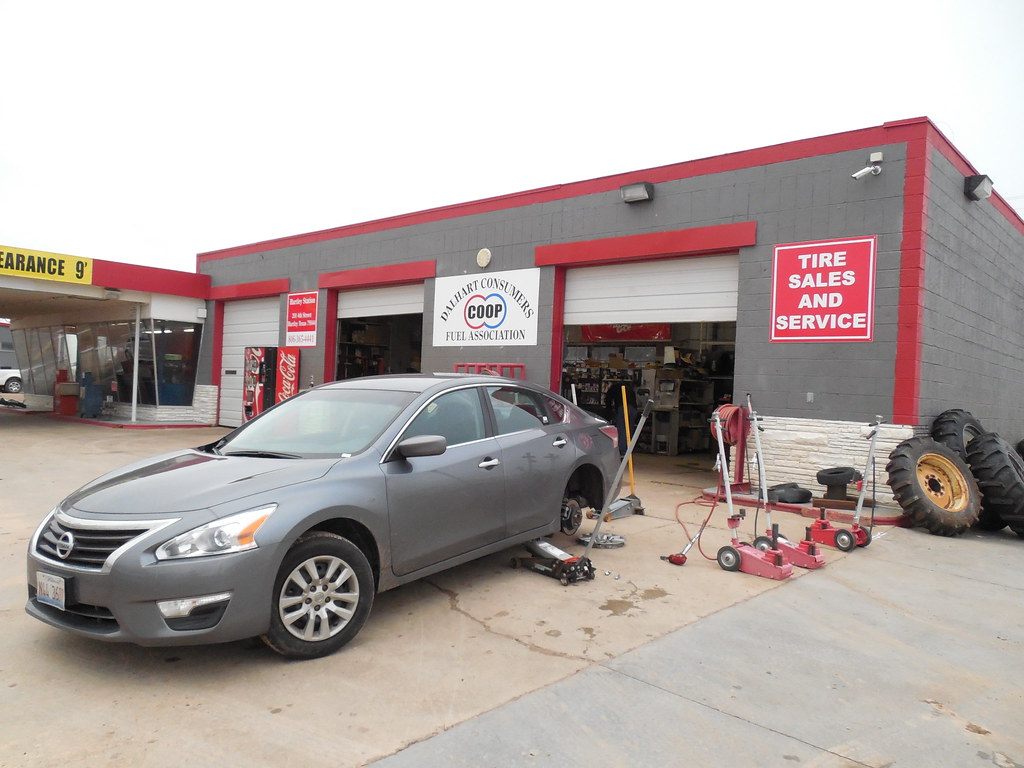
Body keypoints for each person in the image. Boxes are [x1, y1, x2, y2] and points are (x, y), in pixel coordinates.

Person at [604, 379, 638, 456]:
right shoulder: (629, 388)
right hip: (633, 409)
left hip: (623, 407)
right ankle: (629, 449)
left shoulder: (614, 388)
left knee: (622, 429)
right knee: (629, 429)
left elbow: (608, 400)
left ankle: (622, 450)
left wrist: (609, 411)